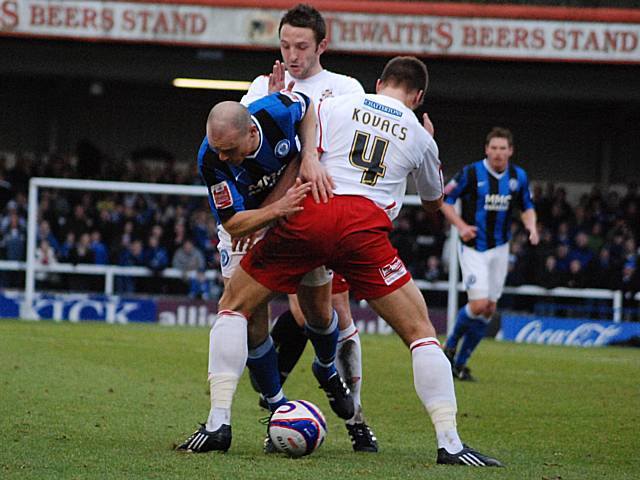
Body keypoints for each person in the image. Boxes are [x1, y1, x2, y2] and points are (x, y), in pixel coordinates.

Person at [179, 56, 502, 467]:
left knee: (233, 306)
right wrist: (426, 143)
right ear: (419, 97)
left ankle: (218, 424)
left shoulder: (335, 104)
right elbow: (433, 201)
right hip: (364, 229)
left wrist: (311, 157)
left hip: (312, 211)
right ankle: (450, 443)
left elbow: (307, 120)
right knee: (420, 332)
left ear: (379, 82)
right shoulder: (421, 136)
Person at [178, 89, 356, 453]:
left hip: (297, 216)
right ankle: (277, 406)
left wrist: (307, 154)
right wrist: (273, 211)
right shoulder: (210, 158)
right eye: (218, 149)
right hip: (248, 225)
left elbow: (307, 110)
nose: (223, 156)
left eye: (230, 149)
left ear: (251, 133)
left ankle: (326, 368)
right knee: (246, 316)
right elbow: (232, 222)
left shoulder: (277, 110)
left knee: (318, 314)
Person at [241, 3, 377, 452]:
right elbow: (241, 149)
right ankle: (278, 412)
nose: (293, 55)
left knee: (330, 316)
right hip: (271, 215)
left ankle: (355, 419)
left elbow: (346, 150)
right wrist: (268, 105)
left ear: (322, 45)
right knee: (256, 314)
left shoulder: (346, 88)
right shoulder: (262, 85)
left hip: (322, 214)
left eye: (301, 46)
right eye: (284, 45)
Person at [441, 127, 539, 381]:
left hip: (501, 248)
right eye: (493, 148)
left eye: (502, 148)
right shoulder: (471, 173)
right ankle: (449, 348)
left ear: (510, 151)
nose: (498, 153)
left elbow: (527, 206)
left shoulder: (518, 176)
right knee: (478, 304)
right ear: (486, 150)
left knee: (488, 309)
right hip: (475, 247)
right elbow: (444, 200)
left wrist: (531, 227)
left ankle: (460, 364)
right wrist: (461, 226)